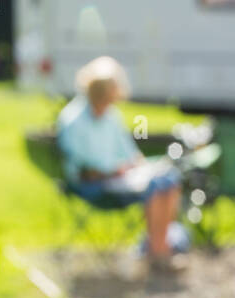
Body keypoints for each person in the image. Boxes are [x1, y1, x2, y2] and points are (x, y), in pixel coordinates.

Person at [56, 56, 186, 272]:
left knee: (168, 178)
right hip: (93, 184)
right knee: (154, 186)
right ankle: (159, 253)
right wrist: (115, 170)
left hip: (121, 178)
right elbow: (84, 168)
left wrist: (141, 166)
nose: (109, 103)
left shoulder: (110, 116)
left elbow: (129, 152)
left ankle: (158, 246)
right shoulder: (72, 120)